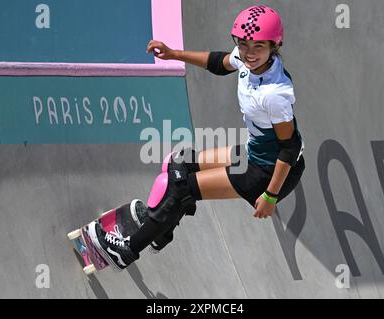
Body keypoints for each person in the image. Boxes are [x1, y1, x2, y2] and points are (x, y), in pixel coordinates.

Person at [88, 5, 305, 272]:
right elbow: (218, 63)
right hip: (255, 152)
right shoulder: (248, 59)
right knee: (178, 164)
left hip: (269, 171)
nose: (249, 53)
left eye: (258, 46)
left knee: (182, 188)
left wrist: (270, 196)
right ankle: (160, 229)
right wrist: (173, 54)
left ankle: (127, 250)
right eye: (244, 44)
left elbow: (290, 148)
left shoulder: (275, 94)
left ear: (275, 45)